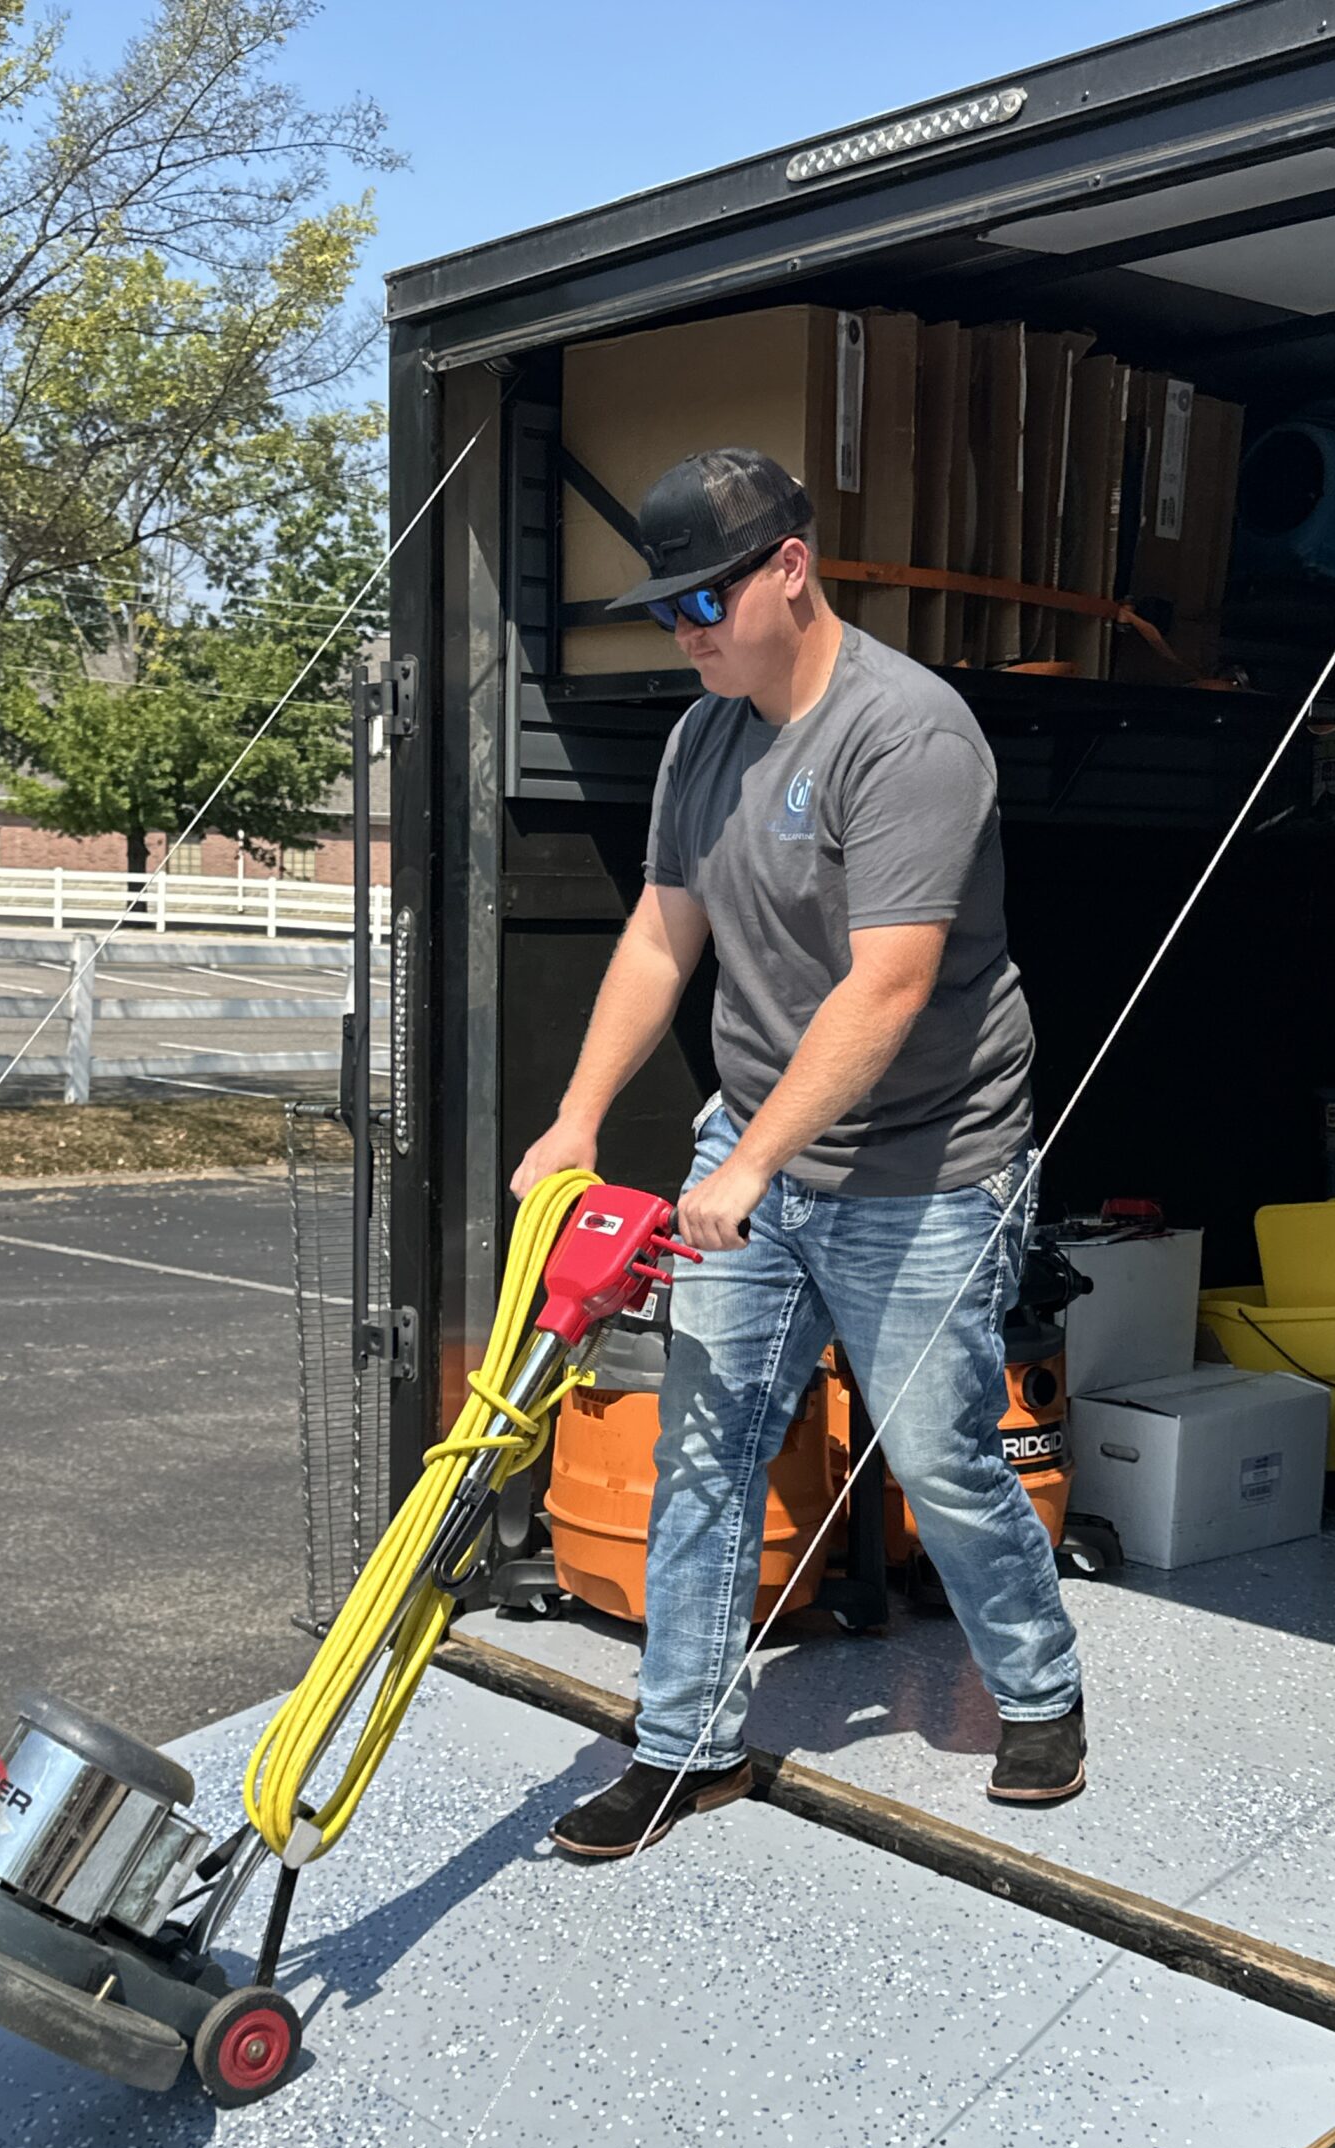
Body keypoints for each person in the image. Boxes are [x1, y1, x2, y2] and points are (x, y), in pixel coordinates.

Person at [511, 447, 1086, 1858]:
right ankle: (683, 1746)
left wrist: (753, 1164)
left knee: (943, 1458)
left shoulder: (912, 736)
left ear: (789, 566)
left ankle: (1041, 1689)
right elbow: (662, 935)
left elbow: (886, 987)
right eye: (665, 611)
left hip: (929, 1165)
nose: (689, 631)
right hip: (760, 1150)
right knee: (708, 1450)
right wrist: (578, 1118)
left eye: (708, 600)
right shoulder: (706, 734)